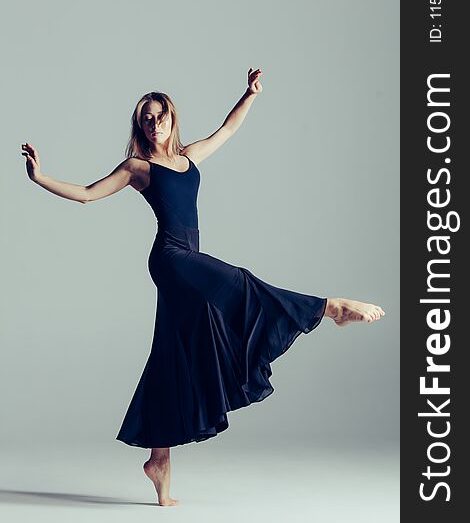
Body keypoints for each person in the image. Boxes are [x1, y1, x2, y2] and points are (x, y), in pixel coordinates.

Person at [21, 67, 385, 507]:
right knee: (241, 284)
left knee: (175, 351)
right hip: (173, 260)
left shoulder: (189, 157)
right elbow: (85, 193)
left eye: (159, 117)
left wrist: (248, 94)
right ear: (141, 126)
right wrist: (39, 177)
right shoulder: (139, 167)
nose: (153, 124)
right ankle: (329, 308)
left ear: (172, 119)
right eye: (146, 119)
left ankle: (159, 461)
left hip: (185, 262)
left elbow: (228, 129)